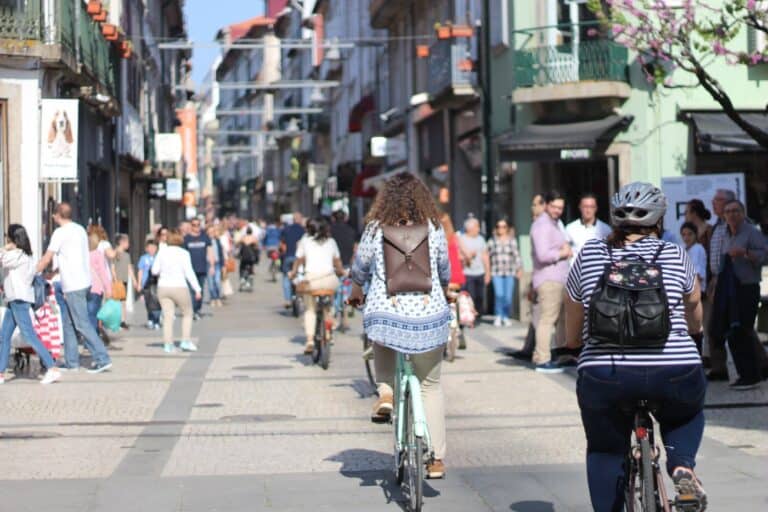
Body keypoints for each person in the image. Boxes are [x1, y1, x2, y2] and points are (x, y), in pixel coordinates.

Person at [564, 182, 706, 512]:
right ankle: (682, 466)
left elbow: (573, 310)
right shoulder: (674, 253)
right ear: (659, 220)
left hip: (605, 371)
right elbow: (694, 303)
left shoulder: (591, 253)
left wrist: (572, 345)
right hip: (673, 367)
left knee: (605, 449)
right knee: (685, 414)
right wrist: (695, 335)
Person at [349, 172, 451, 480]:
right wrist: (444, 289)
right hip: (429, 315)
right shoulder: (434, 228)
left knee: (381, 334)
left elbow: (361, 266)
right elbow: (444, 269)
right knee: (430, 386)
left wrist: (356, 289)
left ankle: (386, 393)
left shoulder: (376, 228)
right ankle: (436, 459)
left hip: (388, 312)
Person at [36, 203, 113, 373]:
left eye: (54, 214)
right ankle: (72, 362)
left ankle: (102, 358)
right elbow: (73, 256)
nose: (53, 217)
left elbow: (48, 257)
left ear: (58, 215)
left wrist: (33, 272)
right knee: (68, 323)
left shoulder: (60, 233)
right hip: (83, 282)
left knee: (81, 324)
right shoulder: (80, 230)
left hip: (73, 285)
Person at [711, 199, 767, 389]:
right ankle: (744, 374)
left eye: (735, 210)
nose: (732, 214)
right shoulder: (725, 234)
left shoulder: (752, 232)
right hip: (729, 290)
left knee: (744, 330)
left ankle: (752, 375)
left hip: (747, 288)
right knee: (731, 332)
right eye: (728, 211)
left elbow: (765, 255)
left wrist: (745, 253)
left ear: (743, 213)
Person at [0, 224, 61, 385]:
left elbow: (1, 259)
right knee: (4, 336)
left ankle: (52, 367)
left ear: (13, 239)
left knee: (29, 335)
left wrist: (5, 248)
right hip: (14, 300)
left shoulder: (17, 255)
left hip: (18, 299)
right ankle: (0, 372)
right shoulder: (26, 255)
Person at [289, 217, 344, 355]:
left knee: (310, 310)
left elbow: (298, 260)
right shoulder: (331, 241)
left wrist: (293, 273)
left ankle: (309, 341)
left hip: (311, 280)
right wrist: (341, 271)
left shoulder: (305, 241)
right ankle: (329, 328)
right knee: (329, 305)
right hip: (329, 279)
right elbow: (337, 261)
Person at [530, 191, 572, 372]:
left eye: (560, 208)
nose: (557, 211)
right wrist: (563, 253)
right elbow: (542, 254)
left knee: (561, 319)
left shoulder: (554, 224)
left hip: (559, 278)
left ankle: (561, 355)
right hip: (548, 279)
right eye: (554, 207)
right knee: (547, 320)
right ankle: (542, 359)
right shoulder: (542, 225)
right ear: (546, 205)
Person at [151, 229, 202, 353]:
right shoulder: (184, 253)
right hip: (179, 286)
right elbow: (189, 272)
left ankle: (168, 344)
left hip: (163, 287)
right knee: (187, 313)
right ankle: (185, 341)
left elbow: (154, 271)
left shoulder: (162, 252)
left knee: (168, 316)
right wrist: (197, 289)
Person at [487, 217, 522, 327]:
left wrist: (519, 269)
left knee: (507, 296)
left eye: (503, 227)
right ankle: (498, 315)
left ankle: (505, 316)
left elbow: (516, 255)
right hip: (496, 272)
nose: (501, 229)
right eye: (498, 227)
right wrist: (487, 271)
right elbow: (486, 256)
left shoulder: (512, 240)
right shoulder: (492, 241)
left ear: (507, 228)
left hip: (509, 272)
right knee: (499, 294)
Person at [184, 218, 215, 320]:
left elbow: (210, 251)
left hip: (202, 268)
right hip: (190, 270)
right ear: (191, 226)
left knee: (200, 291)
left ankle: (197, 309)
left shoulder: (204, 237)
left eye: (198, 225)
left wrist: (212, 266)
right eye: (194, 225)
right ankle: (193, 310)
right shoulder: (186, 239)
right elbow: (183, 254)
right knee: (192, 291)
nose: (196, 227)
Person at [459, 217, 490, 318]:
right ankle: (470, 316)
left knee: (480, 297)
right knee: (470, 296)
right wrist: (467, 257)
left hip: (480, 272)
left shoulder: (481, 239)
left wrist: (488, 273)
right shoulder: (462, 239)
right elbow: (458, 256)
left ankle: (478, 315)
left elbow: (485, 256)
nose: (478, 229)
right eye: (477, 227)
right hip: (467, 273)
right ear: (470, 228)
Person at [565, 193, 611, 258]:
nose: (588, 210)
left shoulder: (606, 229)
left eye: (591, 207)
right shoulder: (570, 228)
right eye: (585, 207)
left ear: (596, 208)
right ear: (579, 207)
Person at [87, 233, 113, 334]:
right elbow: (103, 272)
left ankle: (89, 337)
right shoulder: (98, 254)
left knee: (87, 314)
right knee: (94, 314)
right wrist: (108, 289)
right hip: (96, 288)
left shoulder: (82, 254)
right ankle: (94, 337)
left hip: (84, 288)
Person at [280, 212, 306, 308]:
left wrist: (282, 255)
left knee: (286, 277)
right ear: (300, 219)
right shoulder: (304, 231)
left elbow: (282, 245)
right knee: (302, 275)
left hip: (288, 257)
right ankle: (302, 296)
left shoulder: (286, 229)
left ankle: (287, 300)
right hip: (300, 259)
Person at [113, 234, 137, 330]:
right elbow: (112, 267)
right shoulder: (114, 253)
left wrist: (134, 280)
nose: (128, 244)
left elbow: (129, 268)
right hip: (117, 281)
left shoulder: (127, 255)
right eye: (127, 242)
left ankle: (123, 321)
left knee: (123, 302)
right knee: (116, 302)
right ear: (121, 242)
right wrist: (114, 279)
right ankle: (116, 320)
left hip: (125, 281)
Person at [136, 239, 161, 329]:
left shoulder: (159, 257)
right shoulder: (143, 258)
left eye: (154, 247)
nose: (152, 249)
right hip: (146, 284)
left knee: (157, 302)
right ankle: (150, 319)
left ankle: (156, 320)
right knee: (148, 302)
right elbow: (140, 271)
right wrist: (139, 283)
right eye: (150, 247)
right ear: (146, 248)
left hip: (157, 284)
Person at [206, 225, 223, 308]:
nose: (211, 234)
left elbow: (221, 253)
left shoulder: (217, 241)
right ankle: (213, 298)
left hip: (217, 263)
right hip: (208, 264)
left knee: (217, 281)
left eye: (212, 232)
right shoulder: (205, 242)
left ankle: (218, 297)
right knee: (211, 283)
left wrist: (223, 265)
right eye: (209, 232)